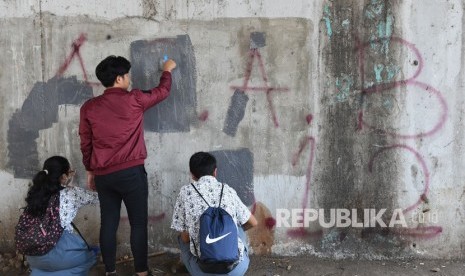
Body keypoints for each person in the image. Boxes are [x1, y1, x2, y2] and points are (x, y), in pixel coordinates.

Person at [79, 55, 176, 276]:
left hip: (104, 175)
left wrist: (90, 170)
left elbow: (86, 142)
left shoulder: (89, 107)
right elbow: (163, 92)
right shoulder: (135, 99)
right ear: (120, 77)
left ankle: (110, 272)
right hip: (132, 173)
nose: (129, 79)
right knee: (138, 224)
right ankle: (141, 272)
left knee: (108, 224)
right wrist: (167, 71)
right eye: (128, 75)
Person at [171, 152, 258, 276]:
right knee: (237, 226)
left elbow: (185, 238)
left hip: (203, 271)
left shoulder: (185, 192)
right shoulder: (227, 190)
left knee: (181, 236)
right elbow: (253, 222)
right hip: (235, 270)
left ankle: (188, 265)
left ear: (192, 175)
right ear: (215, 172)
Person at [22, 156, 99, 276]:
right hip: (60, 254)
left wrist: (67, 181)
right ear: (64, 176)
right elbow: (98, 198)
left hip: (34, 256)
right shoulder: (72, 192)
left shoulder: (35, 194)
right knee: (90, 257)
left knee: (43, 267)